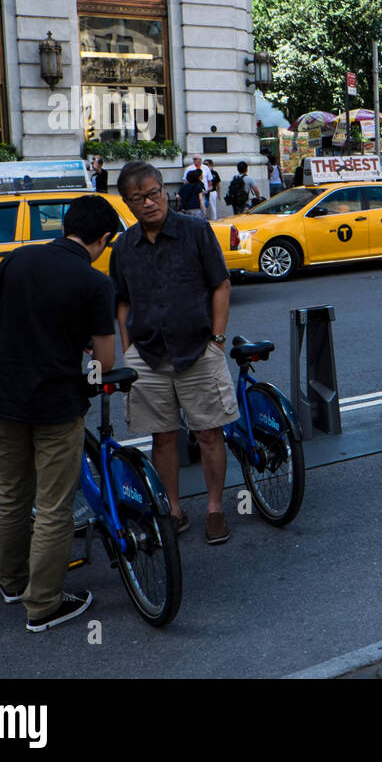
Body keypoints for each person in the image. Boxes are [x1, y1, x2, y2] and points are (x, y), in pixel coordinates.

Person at [0, 195, 120, 631]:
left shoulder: (17, 261)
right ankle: (43, 605)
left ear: (65, 226)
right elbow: (106, 360)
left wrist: (15, 354)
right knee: (54, 506)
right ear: (104, 239)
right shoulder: (95, 283)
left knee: (13, 495)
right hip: (57, 404)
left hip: (5, 398)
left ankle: (12, 583)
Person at [111, 161, 238, 545]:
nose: (149, 203)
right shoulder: (124, 247)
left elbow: (221, 285)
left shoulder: (195, 231)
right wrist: (127, 348)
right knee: (162, 439)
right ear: (128, 204)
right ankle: (173, 509)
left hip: (198, 350)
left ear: (164, 191)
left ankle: (215, 508)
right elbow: (122, 302)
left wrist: (217, 341)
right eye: (138, 199)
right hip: (147, 356)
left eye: (153, 194)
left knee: (209, 434)